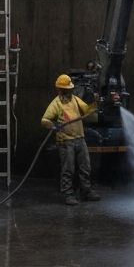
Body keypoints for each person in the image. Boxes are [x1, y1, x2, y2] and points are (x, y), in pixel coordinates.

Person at [41, 74, 102, 206]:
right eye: (66, 89)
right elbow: (45, 120)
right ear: (59, 89)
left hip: (80, 139)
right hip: (65, 141)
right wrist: (53, 126)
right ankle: (68, 194)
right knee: (68, 169)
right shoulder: (56, 103)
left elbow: (87, 110)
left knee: (85, 167)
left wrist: (94, 102)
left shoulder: (75, 99)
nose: (69, 91)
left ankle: (86, 191)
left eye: (70, 89)